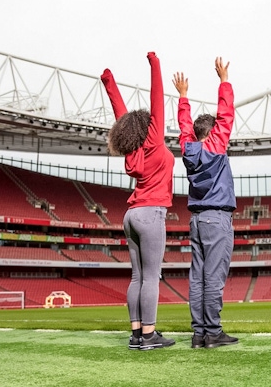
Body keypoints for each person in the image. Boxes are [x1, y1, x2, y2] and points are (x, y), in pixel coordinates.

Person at [101, 52, 175, 351]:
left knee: (137, 276)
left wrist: (109, 83)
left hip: (131, 214)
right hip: (151, 213)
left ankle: (135, 333)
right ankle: (148, 335)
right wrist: (156, 65)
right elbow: (157, 99)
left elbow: (121, 117)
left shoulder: (132, 152)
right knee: (151, 278)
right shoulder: (154, 140)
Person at [172, 57, 239, 349]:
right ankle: (213, 332)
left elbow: (185, 129)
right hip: (216, 218)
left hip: (197, 220)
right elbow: (226, 117)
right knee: (213, 278)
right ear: (212, 134)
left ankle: (199, 333)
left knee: (197, 277)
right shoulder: (215, 145)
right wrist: (224, 81)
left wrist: (183, 97)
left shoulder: (189, 149)